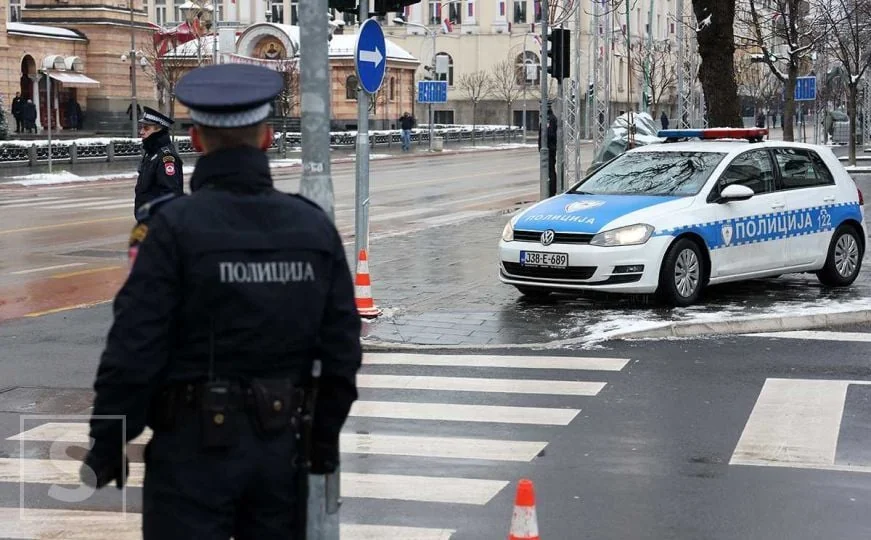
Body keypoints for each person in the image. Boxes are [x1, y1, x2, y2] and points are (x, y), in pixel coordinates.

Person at [79, 63, 363, 539]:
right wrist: (321, 440)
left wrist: (109, 439)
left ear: (196, 139)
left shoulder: (169, 230)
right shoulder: (312, 228)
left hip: (189, 457)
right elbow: (342, 350)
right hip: (279, 454)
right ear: (268, 138)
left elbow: (134, 347)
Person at [133, 107, 184, 217]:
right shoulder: (151, 152)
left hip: (158, 219)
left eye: (146, 128)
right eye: (142, 127)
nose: (141, 132)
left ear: (158, 129)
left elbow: (170, 194)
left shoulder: (166, 157)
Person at [538, 108, 558, 196]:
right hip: (550, 147)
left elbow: (550, 134)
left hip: (550, 148)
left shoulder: (549, 119)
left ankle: (551, 191)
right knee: (550, 170)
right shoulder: (549, 118)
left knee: (550, 171)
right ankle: (550, 189)